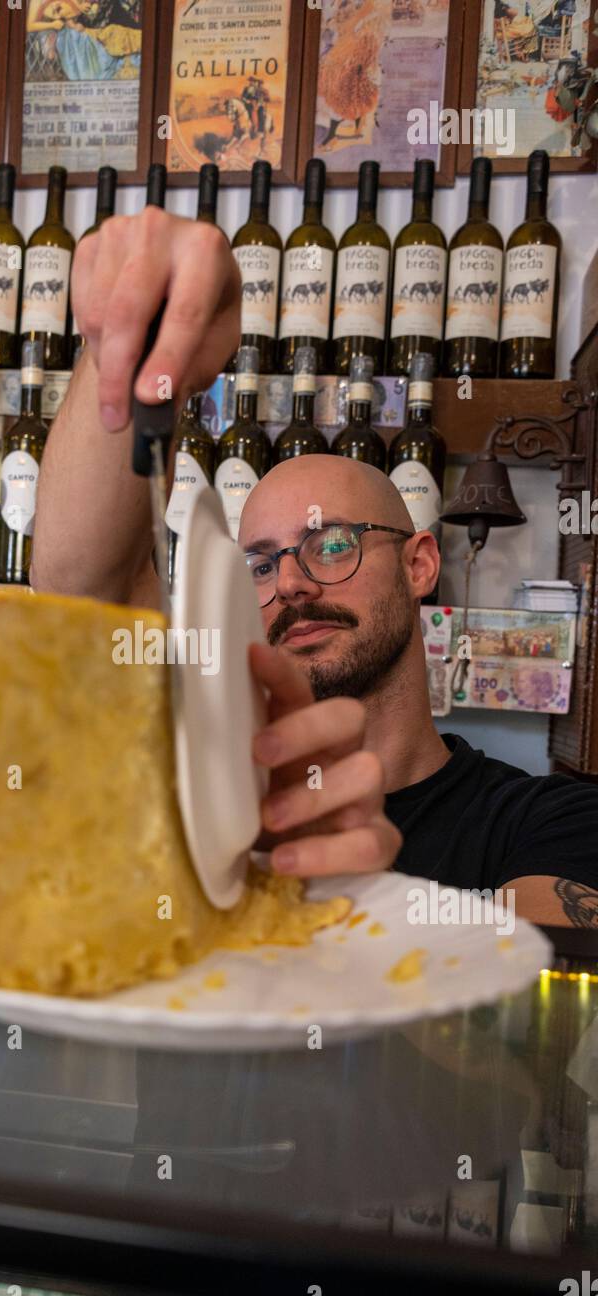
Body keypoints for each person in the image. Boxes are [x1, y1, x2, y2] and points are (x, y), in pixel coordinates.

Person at [31, 206, 598, 929]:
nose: (292, 585)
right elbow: (81, 588)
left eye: (332, 545)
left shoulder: (546, 819)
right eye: (260, 565)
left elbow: (529, 1035)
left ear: (421, 563)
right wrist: (127, 339)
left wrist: (337, 892)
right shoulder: (208, 812)